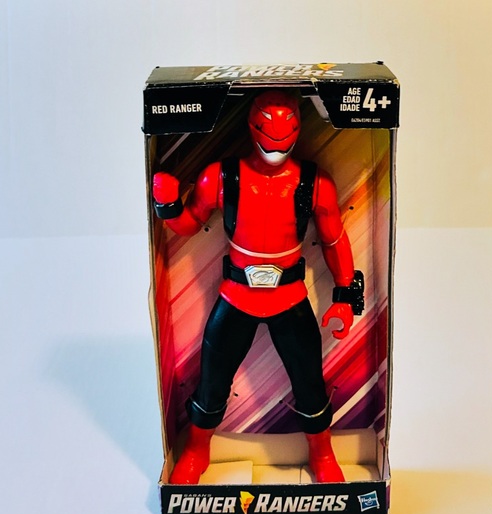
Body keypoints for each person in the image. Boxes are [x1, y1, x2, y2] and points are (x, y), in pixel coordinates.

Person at [153, 90, 364, 484]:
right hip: (236, 296)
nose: (277, 141)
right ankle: (196, 451)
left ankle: (322, 453)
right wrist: (168, 206)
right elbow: (190, 223)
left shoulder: (314, 183)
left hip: (290, 297)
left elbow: (335, 239)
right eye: (268, 129)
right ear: (252, 127)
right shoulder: (220, 176)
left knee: (309, 381)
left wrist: (344, 296)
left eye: (287, 130)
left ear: (298, 129)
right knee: (213, 379)